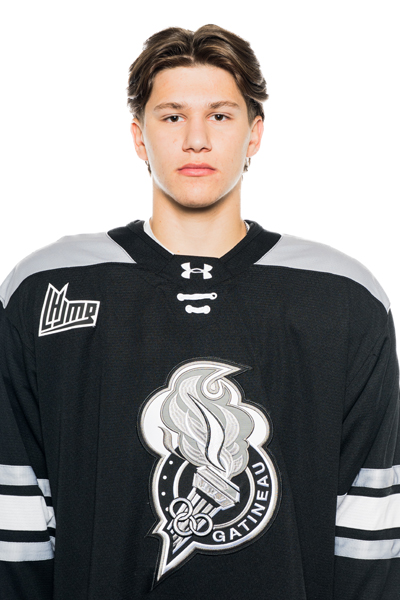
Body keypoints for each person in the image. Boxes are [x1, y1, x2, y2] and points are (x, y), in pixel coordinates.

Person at [0, 24, 398, 600]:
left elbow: (369, 526)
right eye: (171, 116)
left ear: (254, 133)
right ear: (139, 137)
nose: (196, 139)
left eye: (220, 115)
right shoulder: (45, 288)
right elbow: (18, 516)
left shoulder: (344, 298)